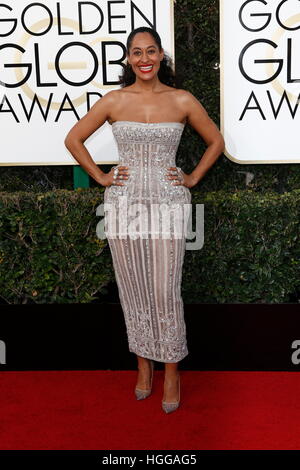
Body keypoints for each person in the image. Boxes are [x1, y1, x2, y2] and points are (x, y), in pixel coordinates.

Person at [64, 26, 225, 413]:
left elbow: (216, 142)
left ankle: (171, 370)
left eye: (151, 51)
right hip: (124, 205)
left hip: (169, 204)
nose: (144, 59)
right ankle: (143, 364)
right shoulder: (114, 101)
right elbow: (73, 139)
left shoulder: (182, 99)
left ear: (161, 57)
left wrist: (191, 177)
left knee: (165, 289)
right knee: (132, 286)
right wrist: (102, 176)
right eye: (136, 53)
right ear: (128, 59)